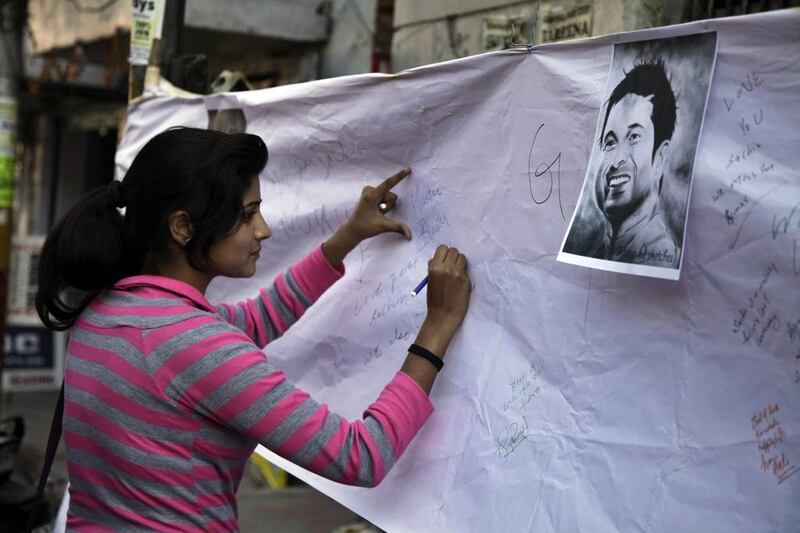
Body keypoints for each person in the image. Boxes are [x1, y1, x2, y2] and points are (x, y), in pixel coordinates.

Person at [35, 127, 471, 531]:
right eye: (247, 216)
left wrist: (347, 237)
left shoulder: (108, 310)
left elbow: (258, 318)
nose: (263, 230)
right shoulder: (193, 343)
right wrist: (436, 329)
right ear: (183, 227)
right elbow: (360, 456)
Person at [593, 59, 679, 267]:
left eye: (634, 137)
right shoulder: (596, 253)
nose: (616, 161)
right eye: (610, 142)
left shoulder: (661, 259)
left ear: (659, 158)